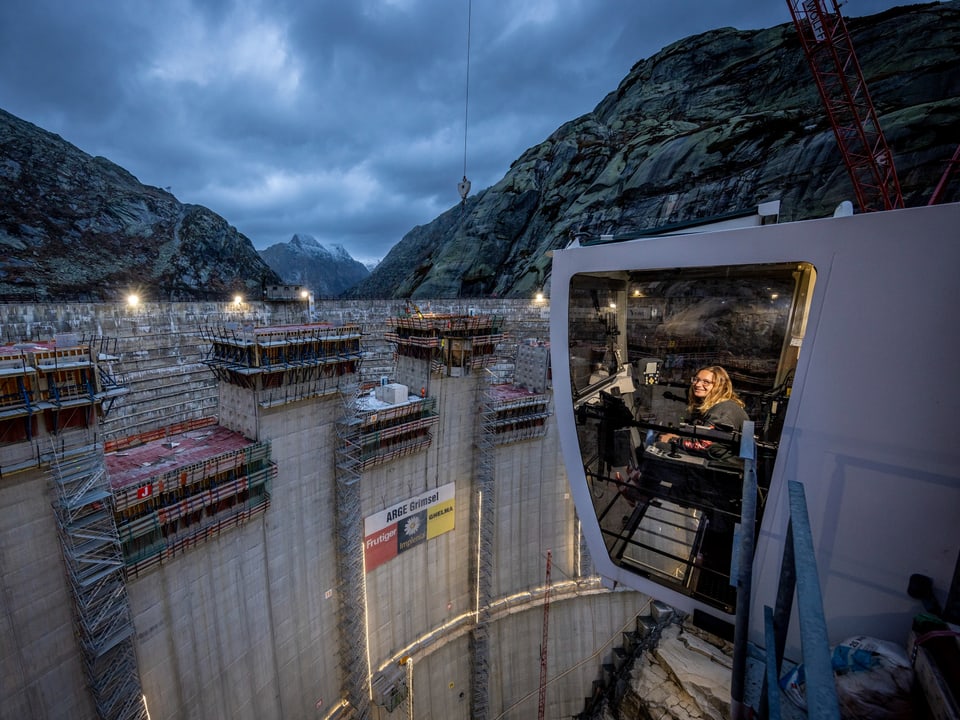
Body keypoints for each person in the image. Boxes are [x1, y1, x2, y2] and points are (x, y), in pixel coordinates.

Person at [660, 365, 748, 466]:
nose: (697, 384)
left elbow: (705, 445)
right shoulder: (720, 406)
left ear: (720, 386)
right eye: (696, 380)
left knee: (662, 447)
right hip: (720, 462)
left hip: (724, 467)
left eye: (706, 382)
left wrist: (673, 440)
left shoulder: (722, 412)